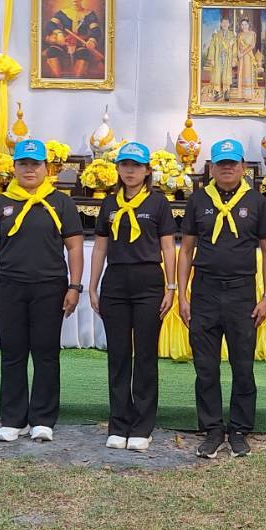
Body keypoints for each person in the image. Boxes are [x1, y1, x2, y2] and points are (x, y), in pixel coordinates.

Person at [0, 139, 84, 442]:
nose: (29, 169)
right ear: (14, 167)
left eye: (35, 164)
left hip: (50, 287)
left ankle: (43, 419)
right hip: (10, 285)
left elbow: (75, 247)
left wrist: (75, 286)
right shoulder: (1, 203)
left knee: (46, 353)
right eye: (23, 163)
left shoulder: (61, 203)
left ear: (46, 168)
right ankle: (13, 419)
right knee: (13, 352)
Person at [179, 138, 266, 458]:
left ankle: (239, 429)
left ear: (243, 167)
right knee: (205, 366)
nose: (227, 168)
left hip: (241, 293)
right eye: (221, 163)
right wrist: (182, 295)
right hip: (205, 292)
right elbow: (186, 249)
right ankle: (212, 428)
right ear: (211, 168)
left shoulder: (257, 202)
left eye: (232, 163)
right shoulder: (198, 200)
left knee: (242, 365)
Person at [89, 141, 176, 452]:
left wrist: (171, 287)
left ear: (147, 171)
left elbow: (168, 246)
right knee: (118, 355)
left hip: (148, 281)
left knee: (146, 355)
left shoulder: (158, 203)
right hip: (115, 281)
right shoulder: (109, 204)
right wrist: (92, 285)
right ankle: (119, 423)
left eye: (136, 166)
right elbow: (100, 246)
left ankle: (142, 425)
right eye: (125, 165)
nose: (130, 171)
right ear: (117, 169)